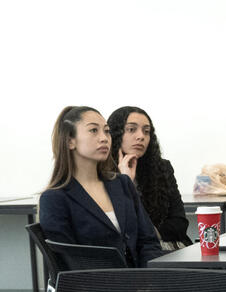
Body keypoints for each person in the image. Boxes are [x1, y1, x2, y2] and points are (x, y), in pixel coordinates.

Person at [39, 106, 162, 267]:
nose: (104, 138)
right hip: (96, 288)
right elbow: (69, 262)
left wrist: (149, 282)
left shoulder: (123, 184)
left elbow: (148, 241)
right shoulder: (54, 198)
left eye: (107, 131)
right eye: (93, 131)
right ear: (70, 141)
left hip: (137, 284)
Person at [107, 106, 192, 249]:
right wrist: (126, 182)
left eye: (146, 131)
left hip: (165, 246)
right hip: (128, 253)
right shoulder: (102, 172)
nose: (141, 136)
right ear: (115, 134)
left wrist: (151, 234)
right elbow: (122, 227)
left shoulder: (162, 168)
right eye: (131, 129)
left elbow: (179, 223)